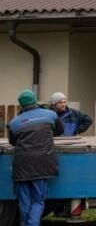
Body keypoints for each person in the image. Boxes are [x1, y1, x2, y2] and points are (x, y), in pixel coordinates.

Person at [6, 89, 62, 226]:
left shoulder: (14, 123)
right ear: (35, 100)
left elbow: (13, 142)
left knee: (24, 201)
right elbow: (59, 131)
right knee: (37, 200)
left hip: (22, 166)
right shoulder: (51, 115)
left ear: (21, 105)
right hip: (42, 164)